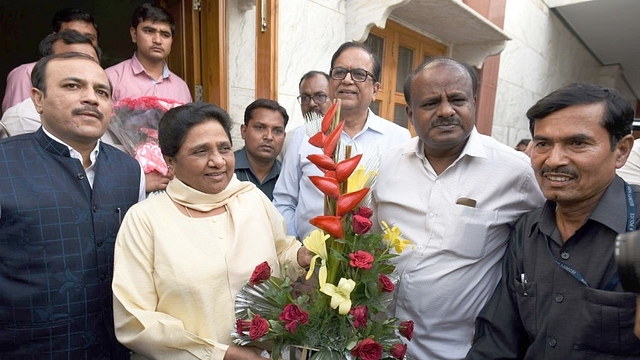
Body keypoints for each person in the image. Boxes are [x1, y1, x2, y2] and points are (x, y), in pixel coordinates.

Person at [371, 57, 545, 359]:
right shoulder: (386, 165)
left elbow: (543, 248)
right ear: (410, 113)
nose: (446, 111)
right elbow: (365, 241)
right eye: (430, 103)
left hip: (458, 350)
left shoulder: (515, 173)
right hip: (378, 343)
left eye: (457, 99)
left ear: (473, 103)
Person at [112, 102, 312, 359]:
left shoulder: (251, 198)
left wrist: (301, 257)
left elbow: (281, 250)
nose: (217, 161)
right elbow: (134, 320)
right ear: (170, 161)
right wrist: (218, 354)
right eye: (200, 151)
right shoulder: (145, 220)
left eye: (224, 148)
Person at [466, 83, 640, 359]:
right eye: (543, 144)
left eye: (577, 143)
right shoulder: (527, 230)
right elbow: (499, 338)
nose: (554, 160)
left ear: (621, 151)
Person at [0, 52, 145, 358]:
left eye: (101, 92)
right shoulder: (5, 163)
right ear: (38, 100)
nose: (91, 98)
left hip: (113, 347)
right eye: (72, 86)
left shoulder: (129, 170)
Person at [273, 42, 411, 240]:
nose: (347, 80)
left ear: (375, 90)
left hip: (366, 266)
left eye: (359, 74)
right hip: (308, 263)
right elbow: (284, 200)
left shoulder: (398, 139)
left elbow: (402, 208)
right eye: (339, 72)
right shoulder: (304, 136)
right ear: (330, 84)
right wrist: (296, 251)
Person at [0, 30, 102, 139]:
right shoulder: (24, 118)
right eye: (72, 61)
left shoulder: (104, 112)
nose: (85, 70)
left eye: (92, 63)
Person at [2, 7, 99, 112]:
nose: (80, 40)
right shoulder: (26, 73)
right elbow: (19, 123)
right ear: (54, 37)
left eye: (89, 38)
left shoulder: (100, 77)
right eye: (71, 34)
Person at [105, 3, 191, 103]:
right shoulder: (112, 78)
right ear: (134, 34)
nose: (158, 40)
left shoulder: (182, 88)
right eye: (149, 31)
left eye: (165, 35)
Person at [234, 98, 288, 200]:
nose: (269, 137)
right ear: (244, 131)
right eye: (260, 127)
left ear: (284, 137)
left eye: (277, 131)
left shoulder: (287, 177)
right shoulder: (225, 169)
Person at [279, 70, 332, 161]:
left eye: (320, 96)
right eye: (305, 98)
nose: (311, 103)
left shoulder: (348, 137)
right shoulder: (290, 140)